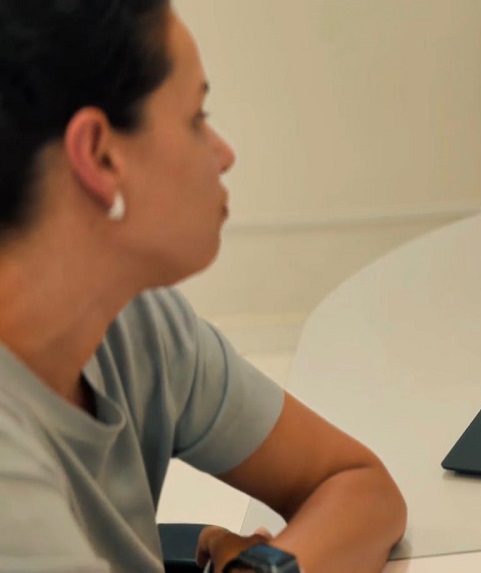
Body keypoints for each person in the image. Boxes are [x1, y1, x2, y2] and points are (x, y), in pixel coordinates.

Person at [0, 1, 407, 572]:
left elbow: (359, 486)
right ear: (99, 155)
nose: (224, 154)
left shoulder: (135, 322)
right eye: (196, 117)